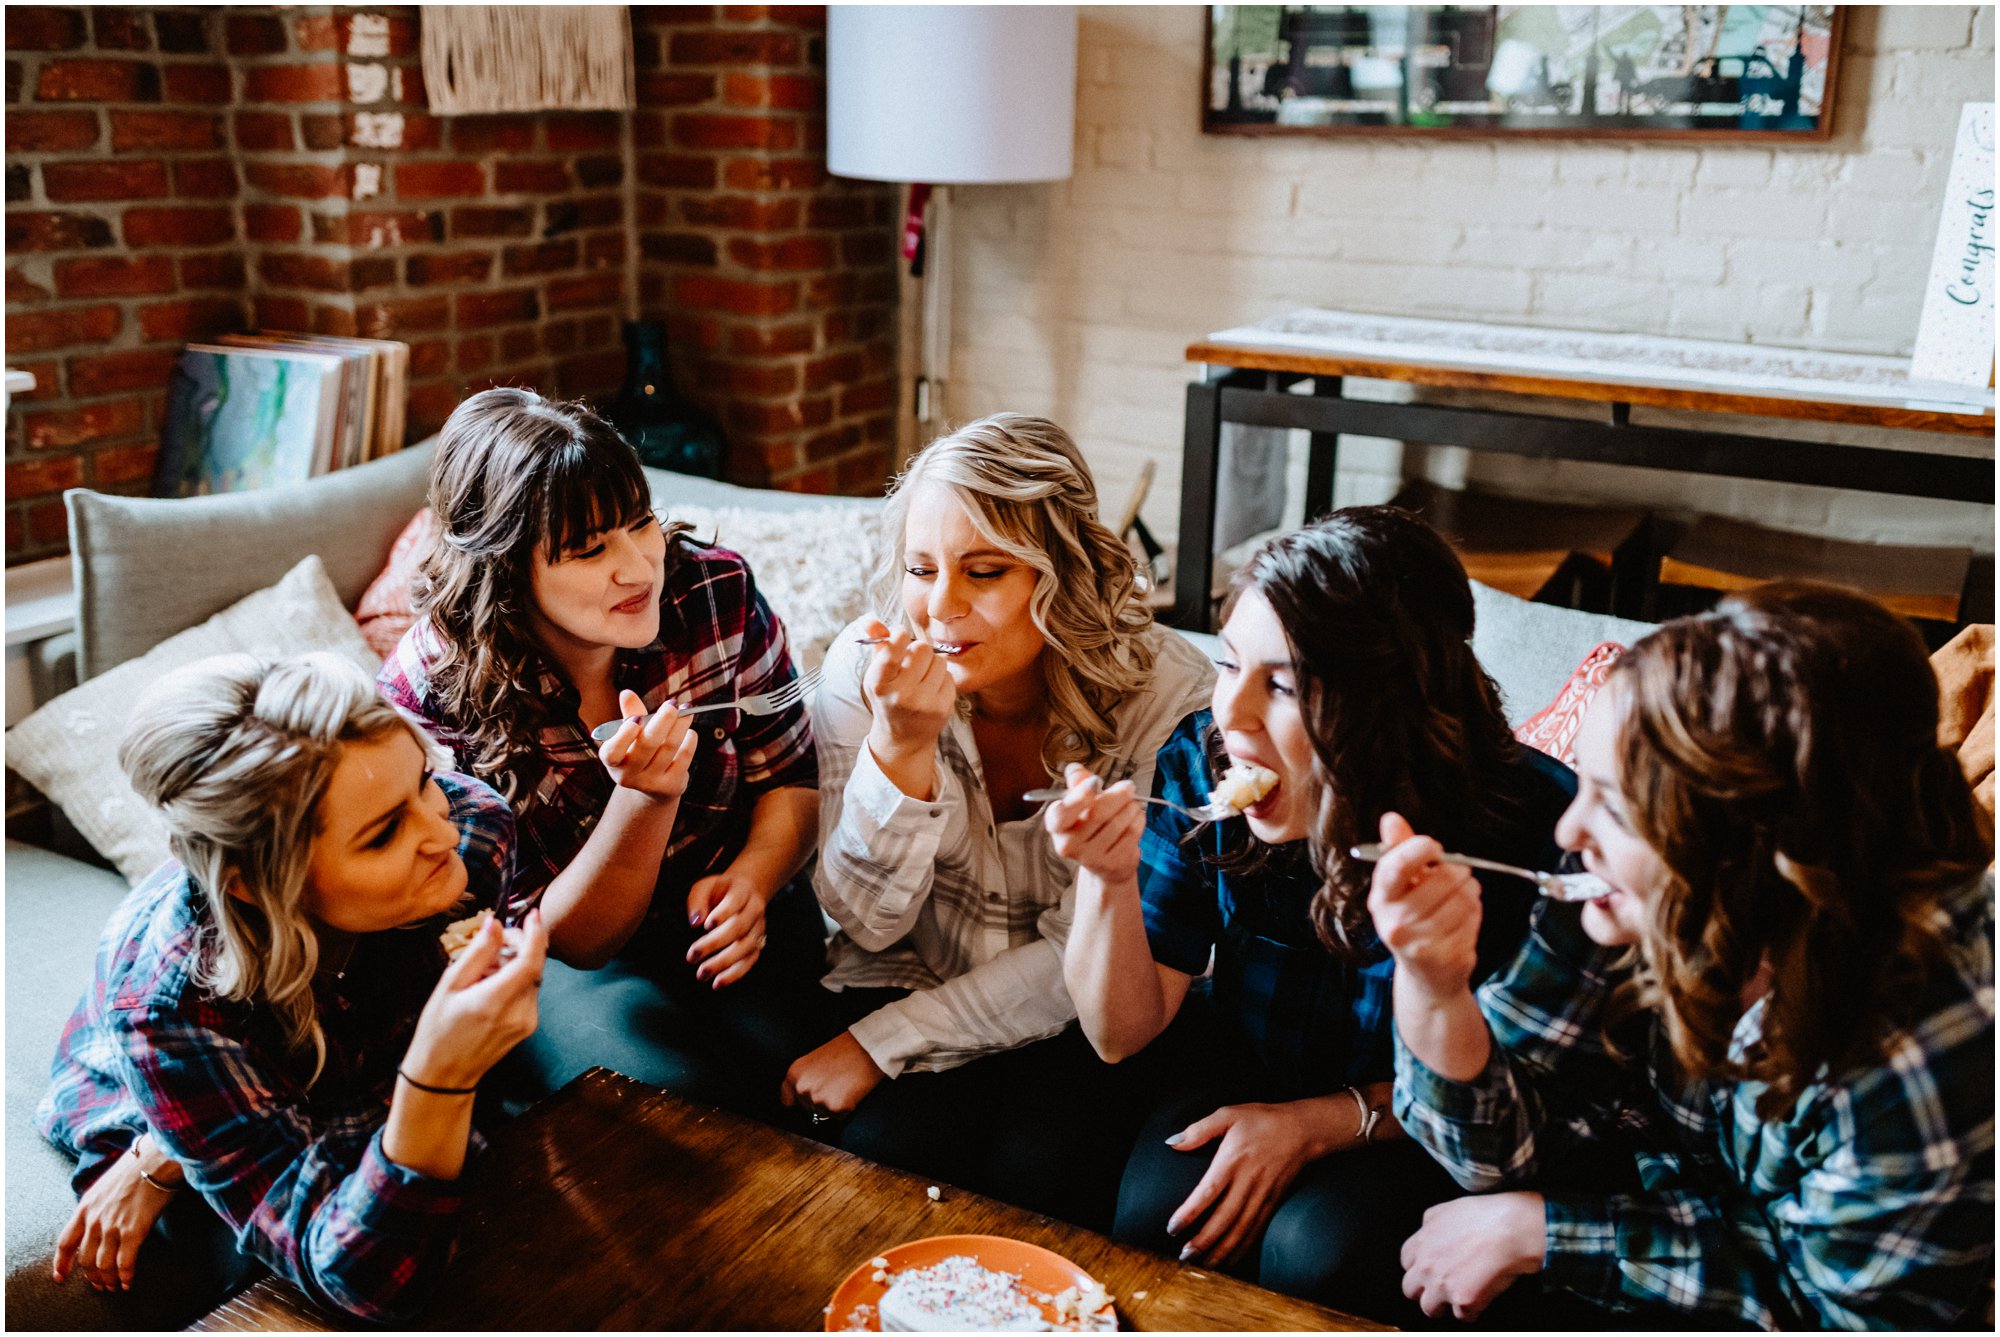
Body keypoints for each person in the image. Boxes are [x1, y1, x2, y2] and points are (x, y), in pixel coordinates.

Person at [1376, 583, 1995, 1328]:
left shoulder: (1920, 1043)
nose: (1569, 831)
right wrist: (1435, 986)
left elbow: (1841, 1318)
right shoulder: (1626, 896)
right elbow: (1492, 1152)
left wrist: (1545, 1233)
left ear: (1750, 839)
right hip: (1676, 1234)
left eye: (1613, 801)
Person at [1046, 508, 1574, 1322]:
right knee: (1161, 1213)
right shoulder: (1203, 759)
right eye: (1229, 666)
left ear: (1393, 699)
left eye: (1284, 685)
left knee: (1321, 1248)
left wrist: (1323, 1123)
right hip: (1254, 1059)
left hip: (1432, 1122)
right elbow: (1120, 1031)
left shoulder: (1528, 825)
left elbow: (1531, 1101)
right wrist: (1106, 880)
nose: (1234, 713)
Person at [786, 413, 1214, 1228]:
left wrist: (885, 1042)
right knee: (869, 1165)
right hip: (909, 971)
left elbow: (1082, 959)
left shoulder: (1171, 699)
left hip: (1087, 1016)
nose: (938, 607)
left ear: (1063, 574)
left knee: (1039, 1172)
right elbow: (864, 923)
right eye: (920, 568)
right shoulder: (864, 667)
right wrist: (900, 751)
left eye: (982, 571)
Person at [36, 652, 543, 1324]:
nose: (442, 828)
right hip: (180, 1070)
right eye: (384, 832)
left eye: (424, 782)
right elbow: (361, 1282)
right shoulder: (169, 1006)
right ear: (256, 881)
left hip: (349, 1068)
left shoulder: (476, 833)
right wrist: (437, 1077)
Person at [379, 388, 824, 1120]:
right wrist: (645, 799)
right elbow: (565, 940)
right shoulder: (431, 692)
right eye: (590, 549)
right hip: (563, 960)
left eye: (639, 522)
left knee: (807, 1077)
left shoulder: (715, 592)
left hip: (732, 909)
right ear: (506, 569)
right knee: (667, 1105)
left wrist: (754, 876)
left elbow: (792, 775)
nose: (638, 567)